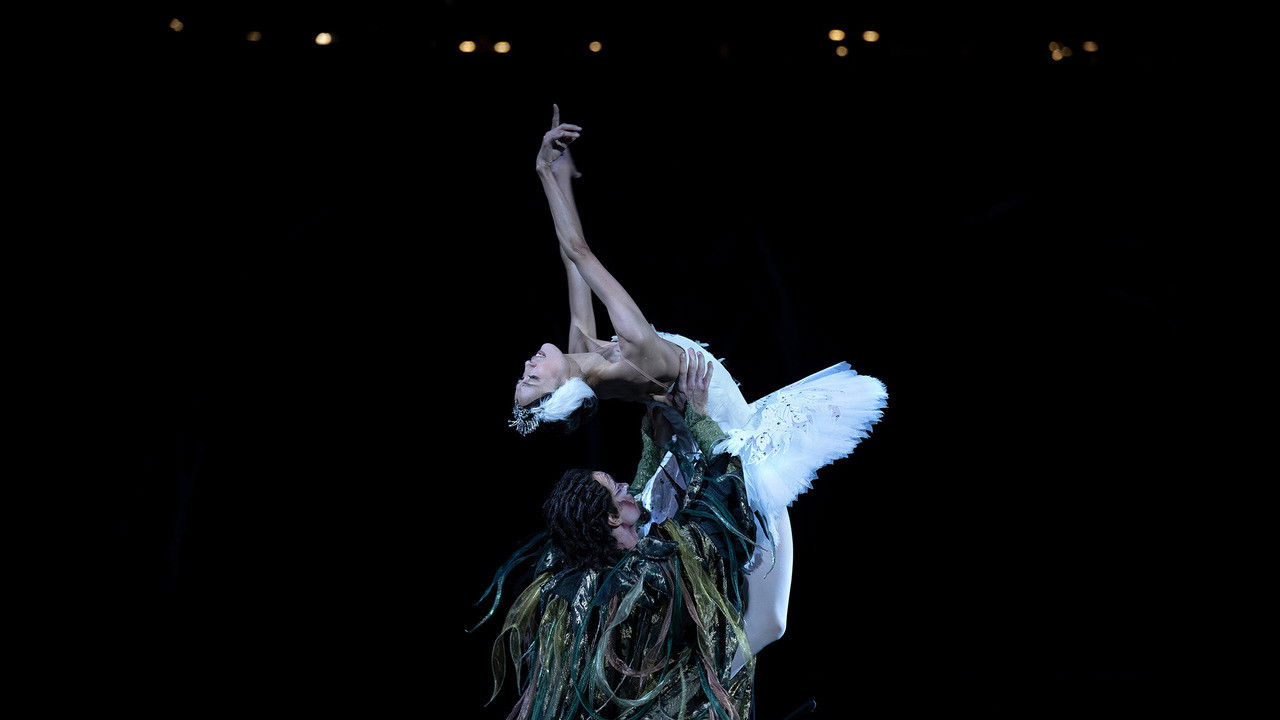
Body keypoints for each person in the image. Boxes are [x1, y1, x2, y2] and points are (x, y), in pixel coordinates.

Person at [512, 106, 889, 547]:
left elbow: (569, 257)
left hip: (686, 414)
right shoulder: (633, 350)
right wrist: (543, 170)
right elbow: (580, 251)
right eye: (532, 379)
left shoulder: (582, 353)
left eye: (523, 376)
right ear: (565, 389)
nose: (527, 365)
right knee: (745, 526)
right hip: (717, 421)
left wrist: (561, 175)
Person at [476, 353, 773, 720]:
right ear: (612, 518)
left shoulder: (580, 578)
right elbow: (719, 509)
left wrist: (653, 442)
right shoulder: (652, 574)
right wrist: (699, 418)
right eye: (614, 487)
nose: (624, 485)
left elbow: (636, 503)